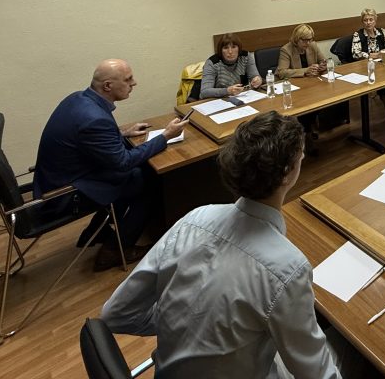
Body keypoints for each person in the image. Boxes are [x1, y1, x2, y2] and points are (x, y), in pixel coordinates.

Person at [102, 111, 356, 378]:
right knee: (348, 349)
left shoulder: (194, 219)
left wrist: (186, 323)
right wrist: (203, 327)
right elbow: (316, 373)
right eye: (300, 156)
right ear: (287, 173)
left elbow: (116, 313)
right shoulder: (287, 267)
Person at [33, 59, 188, 271]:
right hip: (64, 196)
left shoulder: (78, 99)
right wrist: (165, 136)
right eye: (128, 79)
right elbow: (123, 162)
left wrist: (122, 133)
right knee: (150, 180)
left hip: (59, 178)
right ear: (108, 86)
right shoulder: (94, 119)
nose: (134, 83)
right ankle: (116, 250)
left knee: (140, 172)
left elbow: (87, 139)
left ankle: (98, 230)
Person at [350, 7, 385, 128]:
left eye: (371, 19)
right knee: (383, 83)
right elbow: (356, 53)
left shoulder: (381, 32)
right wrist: (373, 55)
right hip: (366, 68)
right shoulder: (358, 35)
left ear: (375, 20)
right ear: (362, 22)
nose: (368, 22)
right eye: (365, 20)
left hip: (382, 65)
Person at [277, 24, 328, 156]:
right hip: (295, 89)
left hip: (312, 86)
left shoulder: (313, 46)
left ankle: (309, 130)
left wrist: (323, 66)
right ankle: (307, 136)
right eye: (304, 40)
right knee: (305, 106)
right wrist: (305, 71)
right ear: (296, 39)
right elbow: (281, 72)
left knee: (323, 99)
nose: (308, 43)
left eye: (310, 39)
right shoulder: (286, 50)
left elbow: (324, 61)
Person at [201, 33, 263, 98]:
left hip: (243, 97)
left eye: (233, 47)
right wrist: (227, 91)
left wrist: (258, 80)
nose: (230, 52)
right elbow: (204, 92)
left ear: (239, 48)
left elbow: (255, 76)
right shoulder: (212, 63)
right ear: (221, 50)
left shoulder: (246, 57)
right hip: (219, 99)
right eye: (226, 48)